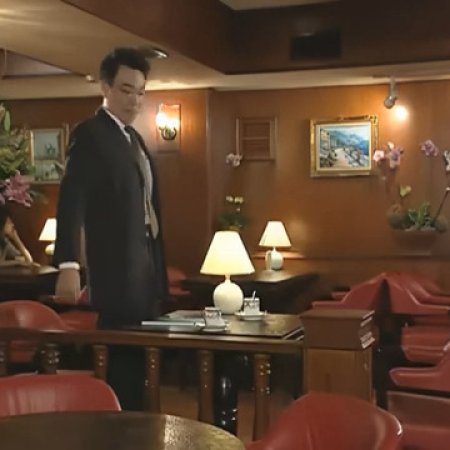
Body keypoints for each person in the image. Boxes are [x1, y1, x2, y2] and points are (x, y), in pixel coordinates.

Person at [53, 47, 168, 409]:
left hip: (145, 270)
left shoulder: (134, 139)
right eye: (126, 90)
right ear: (105, 88)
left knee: (143, 369)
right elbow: (71, 200)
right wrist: (69, 264)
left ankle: (140, 427)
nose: (135, 100)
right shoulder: (91, 134)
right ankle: (120, 430)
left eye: (141, 92)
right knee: (122, 370)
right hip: (116, 272)